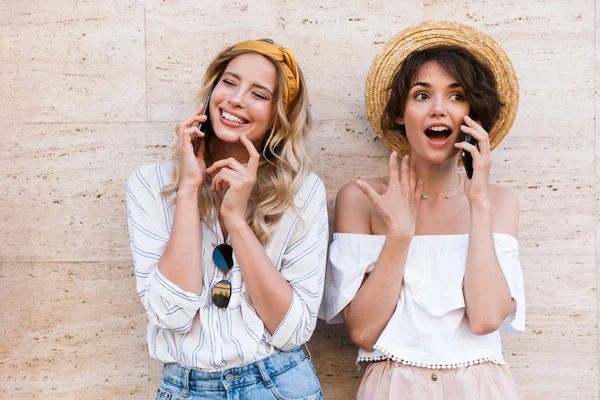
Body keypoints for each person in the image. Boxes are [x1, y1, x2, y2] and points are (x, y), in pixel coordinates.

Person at [319, 21, 525, 399]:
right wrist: (399, 234)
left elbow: (484, 318)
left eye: (456, 95)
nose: (438, 110)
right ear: (400, 112)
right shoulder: (361, 198)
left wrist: (478, 203)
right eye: (421, 95)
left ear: (473, 114)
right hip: (393, 385)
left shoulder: (498, 202)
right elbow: (363, 332)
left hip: (481, 387)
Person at [126, 39, 327, 400]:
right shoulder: (150, 184)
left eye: (259, 94)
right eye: (230, 82)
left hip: (279, 384)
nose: (236, 99)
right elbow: (169, 313)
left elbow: (292, 330)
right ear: (212, 90)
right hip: (186, 388)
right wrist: (189, 188)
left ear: (278, 116)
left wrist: (235, 219)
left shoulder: (303, 191)